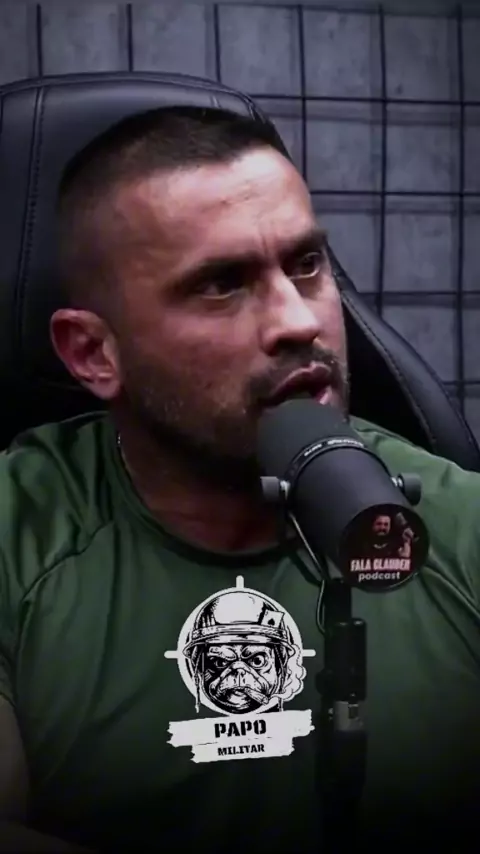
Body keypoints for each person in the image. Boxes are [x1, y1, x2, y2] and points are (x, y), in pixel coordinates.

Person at [0, 105, 479, 854]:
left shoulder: (463, 526)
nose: (299, 321)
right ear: (94, 352)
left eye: (306, 264)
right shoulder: (17, 533)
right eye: (221, 284)